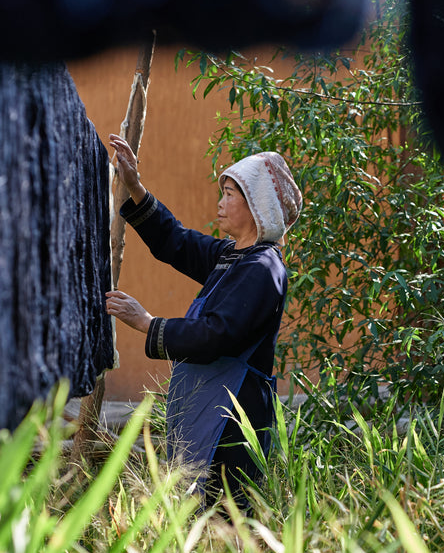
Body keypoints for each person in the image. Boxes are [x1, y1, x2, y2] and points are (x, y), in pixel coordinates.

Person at [104, 134, 302, 510]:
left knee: (227, 519)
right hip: (210, 408)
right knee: (196, 517)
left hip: (233, 416)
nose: (220, 203)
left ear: (257, 205)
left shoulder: (263, 269)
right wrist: (134, 186)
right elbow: (176, 242)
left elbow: (217, 335)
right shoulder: (233, 256)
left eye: (230, 194)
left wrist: (147, 323)